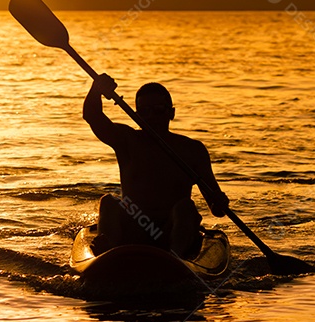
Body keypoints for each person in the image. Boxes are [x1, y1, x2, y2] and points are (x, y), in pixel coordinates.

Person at [83, 73, 230, 257]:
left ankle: (175, 257)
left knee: (185, 207)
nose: (152, 117)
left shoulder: (192, 150)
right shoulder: (126, 140)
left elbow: (216, 209)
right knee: (108, 201)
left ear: (171, 113)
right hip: (135, 226)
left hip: (171, 231)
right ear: (137, 115)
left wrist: (220, 202)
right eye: (145, 111)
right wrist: (96, 89)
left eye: (158, 110)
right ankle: (108, 251)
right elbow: (92, 116)